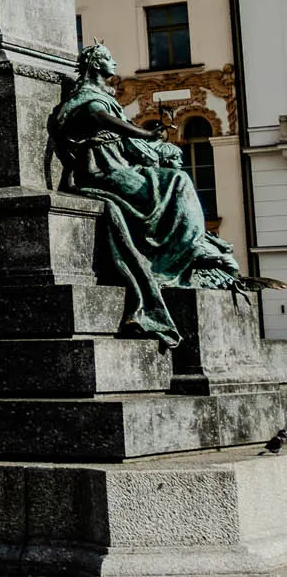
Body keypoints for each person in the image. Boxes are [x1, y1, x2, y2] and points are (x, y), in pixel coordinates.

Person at [47, 42, 242, 348]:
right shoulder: (87, 97)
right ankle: (171, 257)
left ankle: (179, 252)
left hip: (116, 163)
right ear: (97, 65)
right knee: (175, 182)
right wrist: (143, 133)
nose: (115, 63)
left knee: (174, 179)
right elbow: (101, 118)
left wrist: (149, 142)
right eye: (109, 59)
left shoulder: (102, 96)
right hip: (100, 169)